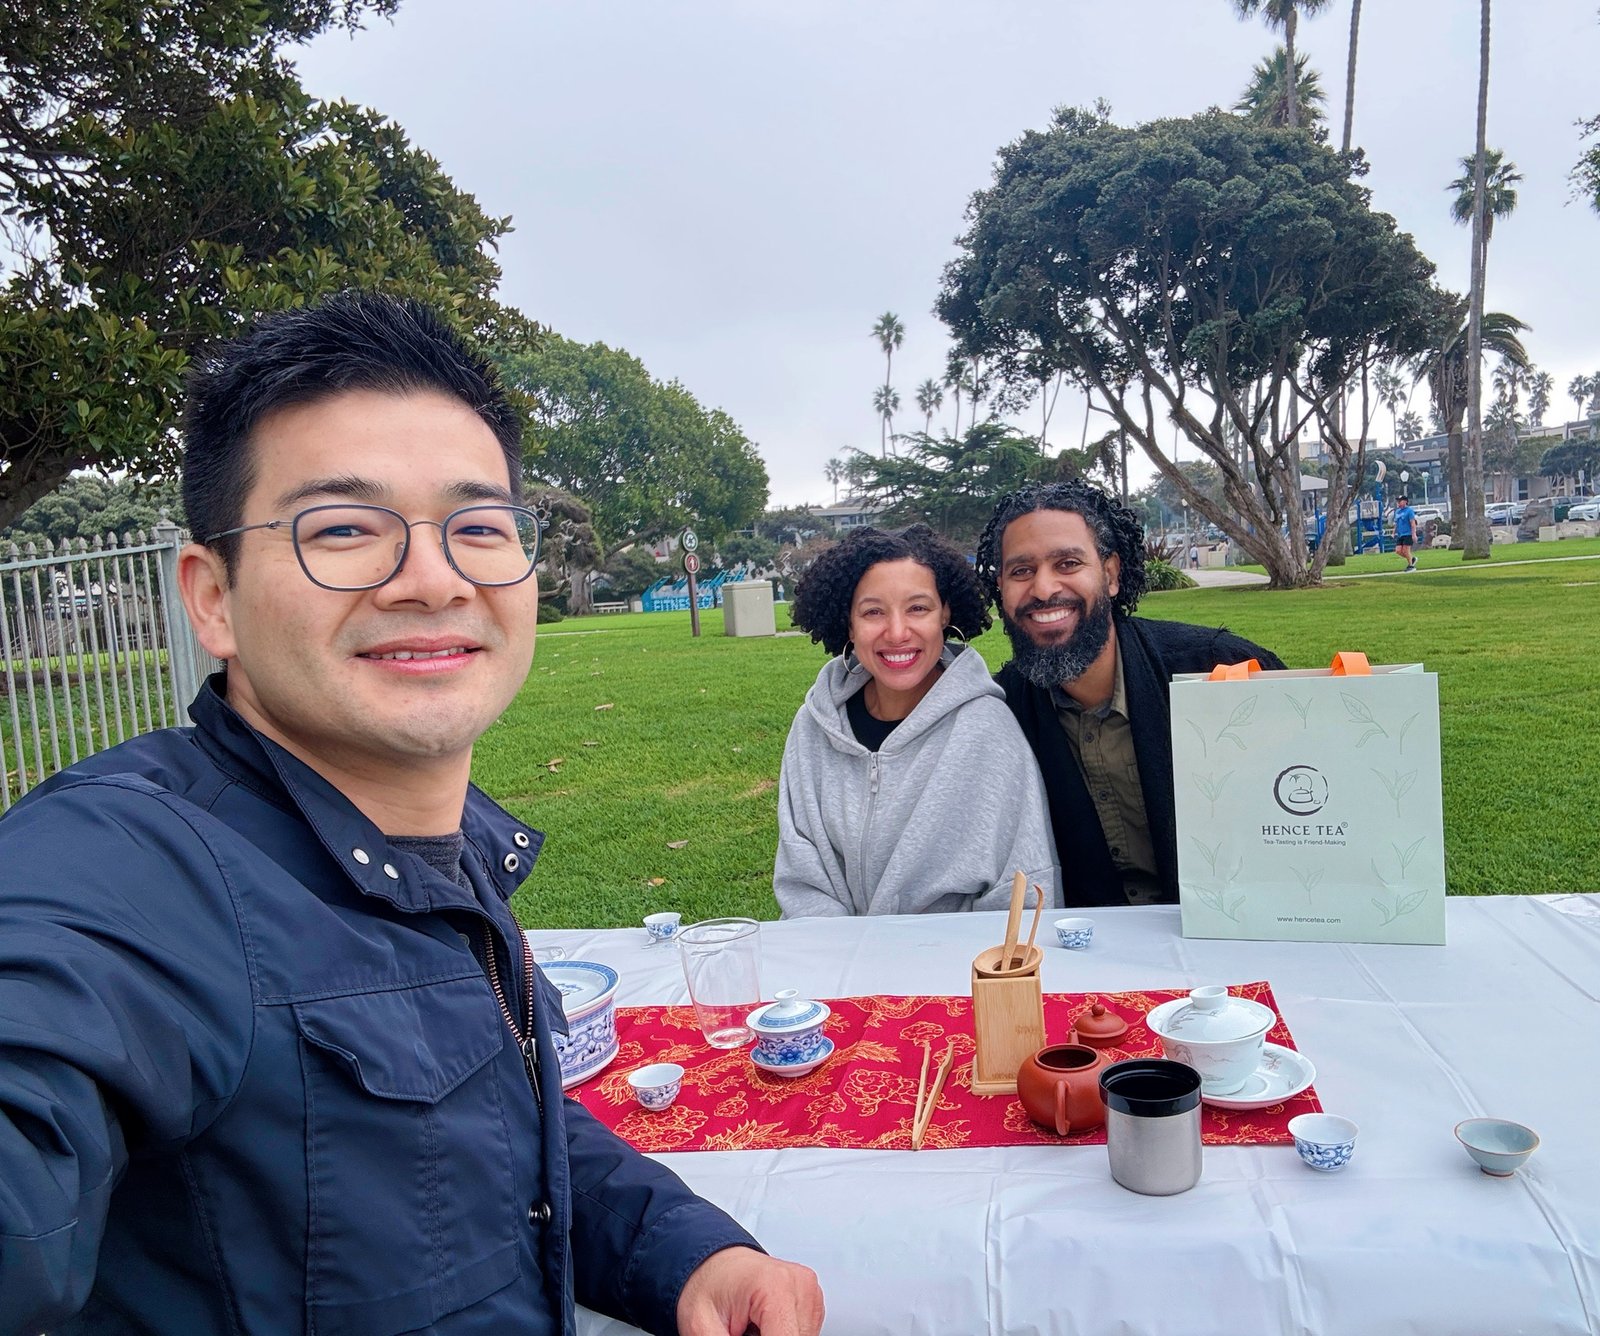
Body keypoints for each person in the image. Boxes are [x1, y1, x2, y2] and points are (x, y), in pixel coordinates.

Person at [0, 293, 823, 1336]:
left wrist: (686, 1251)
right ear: (212, 599)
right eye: (342, 529)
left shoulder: (447, 844)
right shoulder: (130, 869)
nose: (431, 579)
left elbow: (488, 1134)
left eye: (477, 526)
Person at [974, 481, 1285, 909]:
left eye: (1067, 563)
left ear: (1112, 574)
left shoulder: (1221, 671)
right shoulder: (998, 715)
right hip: (1081, 952)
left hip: (1235, 931)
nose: (1043, 589)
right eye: (1021, 571)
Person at [774, 524, 1059, 917]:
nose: (896, 632)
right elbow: (803, 883)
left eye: (918, 608)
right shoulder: (813, 728)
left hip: (955, 967)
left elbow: (1021, 893)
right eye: (873, 611)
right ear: (849, 623)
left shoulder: (988, 730)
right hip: (833, 965)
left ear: (945, 613)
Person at [1394, 494, 1419, 571]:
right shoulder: (1397, 512)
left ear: (1405, 502)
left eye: (1400, 501)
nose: (1398, 502)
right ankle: (1412, 559)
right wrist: (1393, 532)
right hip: (1400, 534)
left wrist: (1414, 534)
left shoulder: (1409, 511)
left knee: (1406, 550)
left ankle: (1411, 566)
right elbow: (1396, 523)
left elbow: (1412, 523)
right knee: (1398, 551)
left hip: (1407, 533)